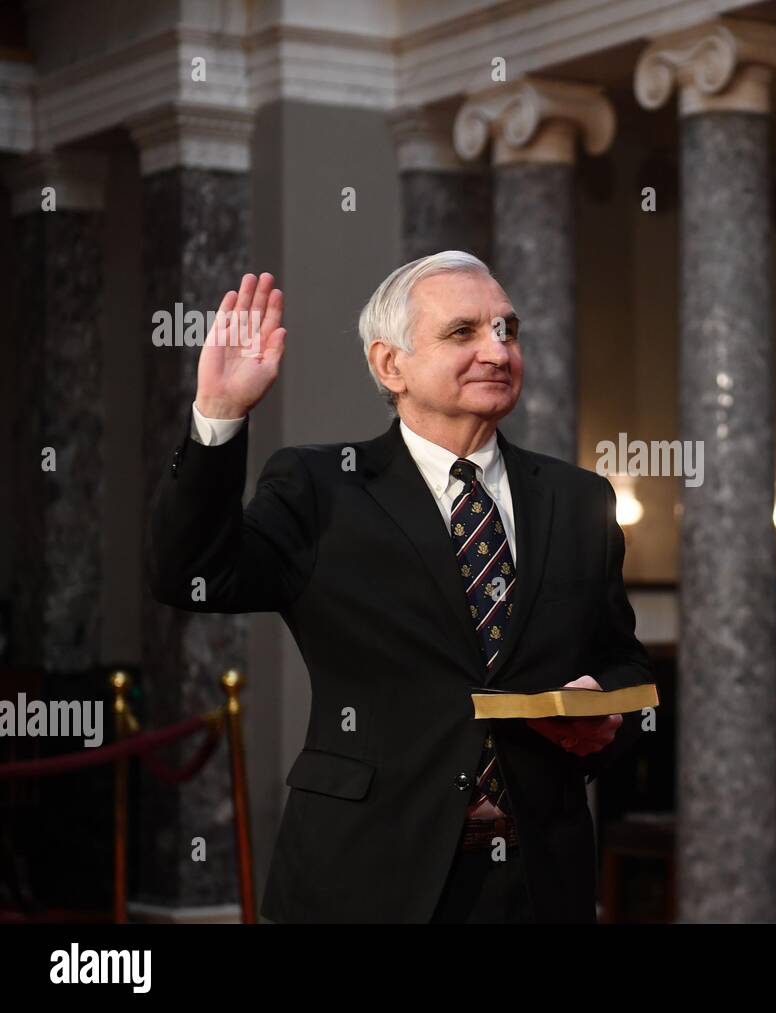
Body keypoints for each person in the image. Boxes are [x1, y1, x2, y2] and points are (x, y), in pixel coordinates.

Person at [147, 252, 654, 923]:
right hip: (367, 875)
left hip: (538, 881)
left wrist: (604, 715)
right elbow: (191, 577)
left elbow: (624, 664)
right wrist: (218, 414)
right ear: (390, 365)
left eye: (506, 329)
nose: (497, 351)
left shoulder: (580, 497)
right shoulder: (321, 487)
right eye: (463, 332)